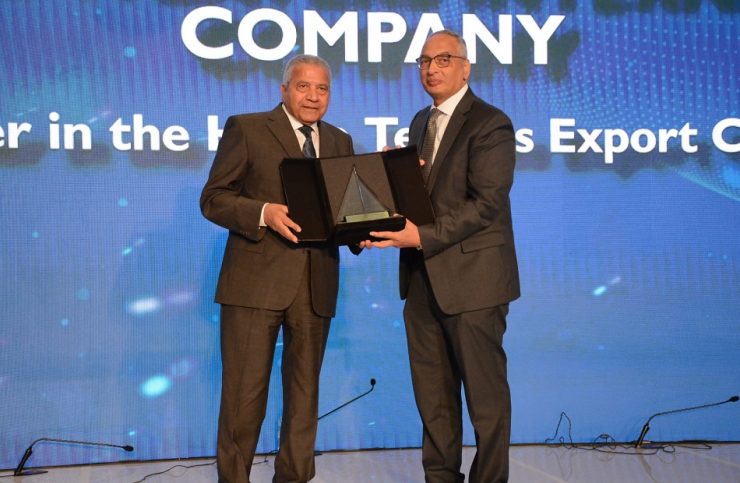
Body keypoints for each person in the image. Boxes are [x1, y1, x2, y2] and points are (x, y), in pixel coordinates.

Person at [364, 31, 520, 482]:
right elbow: (424, 199)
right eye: (424, 61)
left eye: (443, 59)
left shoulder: (490, 123)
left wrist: (420, 236)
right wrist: (391, 181)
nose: (431, 68)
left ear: (465, 68)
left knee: (486, 402)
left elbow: (486, 204)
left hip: (474, 282)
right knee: (433, 400)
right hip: (421, 282)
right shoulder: (420, 122)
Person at [200, 54, 354, 483]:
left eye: (322, 88)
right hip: (254, 285)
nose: (313, 96)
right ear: (284, 90)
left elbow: (344, 211)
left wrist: (366, 225)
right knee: (243, 399)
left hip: (316, 285)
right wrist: (263, 212)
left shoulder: (340, 141)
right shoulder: (247, 129)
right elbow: (213, 198)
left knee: (305, 399)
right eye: (303, 86)